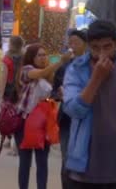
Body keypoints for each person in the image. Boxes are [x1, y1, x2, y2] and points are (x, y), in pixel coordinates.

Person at [63, 20, 116, 189]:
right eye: (95, 48)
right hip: (83, 168)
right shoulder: (76, 70)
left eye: (107, 47)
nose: (102, 54)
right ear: (88, 46)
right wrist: (96, 79)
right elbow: (73, 110)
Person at [15, 44, 72, 189]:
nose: (43, 58)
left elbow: (49, 97)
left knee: (42, 162)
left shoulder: (49, 76)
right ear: (31, 57)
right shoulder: (27, 70)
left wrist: (57, 95)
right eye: (39, 55)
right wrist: (60, 61)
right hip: (25, 122)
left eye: (44, 55)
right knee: (25, 161)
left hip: (43, 124)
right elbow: (39, 74)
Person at [53, 30, 87, 189]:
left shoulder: (91, 67)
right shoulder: (64, 66)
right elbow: (53, 92)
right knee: (67, 160)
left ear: (85, 45)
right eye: (70, 42)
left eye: (76, 42)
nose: (72, 46)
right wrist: (58, 93)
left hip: (85, 120)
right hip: (67, 119)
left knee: (83, 160)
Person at [0, 35, 25, 154]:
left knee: (8, 118)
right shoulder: (24, 58)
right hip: (20, 91)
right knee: (17, 117)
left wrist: (0, 96)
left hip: (8, 92)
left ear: (11, 44)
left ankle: (12, 144)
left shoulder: (7, 59)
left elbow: (3, 78)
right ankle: (13, 143)